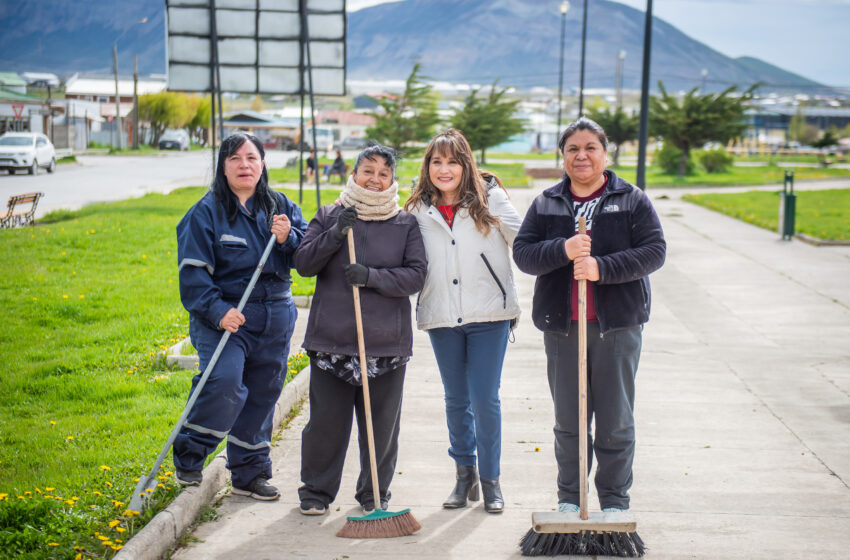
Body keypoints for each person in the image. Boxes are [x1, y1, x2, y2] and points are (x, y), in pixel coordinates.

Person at [512, 117, 666, 514]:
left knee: (615, 421)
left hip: (617, 327)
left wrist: (602, 267)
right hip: (563, 328)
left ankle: (614, 503)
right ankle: (569, 499)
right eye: (572, 149)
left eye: (590, 148)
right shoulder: (547, 202)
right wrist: (563, 250)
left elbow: (654, 252)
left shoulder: (631, 199)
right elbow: (524, 254)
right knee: (569, 422)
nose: (581, 156)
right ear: (562, 155)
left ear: (605, 152)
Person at [173, 132, 308, 500]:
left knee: (264, 393)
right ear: (223, 166)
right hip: (227, 317)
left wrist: (289, 238)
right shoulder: (205, 213)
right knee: (225, 382)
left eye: (251, 157)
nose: (244, 165)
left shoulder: (280, 206)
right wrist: (219, 312)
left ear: (263, 163)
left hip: (276, 314)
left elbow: (310, 256)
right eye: (235, 159)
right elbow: (193, 277)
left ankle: (249, 475)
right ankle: (190, 454)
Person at [294, 145, 427, 515]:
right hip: (332, 340)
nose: (375, 179)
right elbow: (303, 263)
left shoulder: (405, 224)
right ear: (353, 174)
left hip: (386, 345)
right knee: (325, 424)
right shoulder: (328, 215)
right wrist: (336, 233)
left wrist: (372, 277)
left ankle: (374, 495)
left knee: (380, 428)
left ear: (392, 180)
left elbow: (415, 276)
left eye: (384, 173)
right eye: (368, 170)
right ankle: (316, 493)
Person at [404, 129, 521, 514]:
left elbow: (524, 240)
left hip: (490, 314)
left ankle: (491, 481)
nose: (444, 169)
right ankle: (463, 476)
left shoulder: (490, 197)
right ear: (427, 167)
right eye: (436, 161)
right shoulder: (418, 207)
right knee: (456, 399)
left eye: (452, 161)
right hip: (441, 315)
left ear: (465, 163)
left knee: (484, 399)